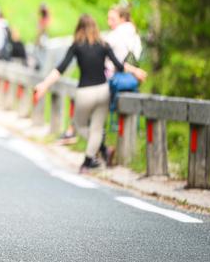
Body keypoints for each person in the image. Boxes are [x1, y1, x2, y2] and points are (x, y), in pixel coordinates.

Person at [34, 14, 147, 172]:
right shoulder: (103, 45)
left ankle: (96, 154)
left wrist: (44, 85)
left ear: (79, 28)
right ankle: (89, 161)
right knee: (97, 128)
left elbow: (61, 68)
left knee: (80, 126)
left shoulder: (77, 46)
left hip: (85, 92)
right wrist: (136, 71)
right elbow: (119, 66)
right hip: (103, 91)